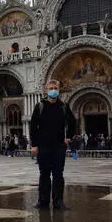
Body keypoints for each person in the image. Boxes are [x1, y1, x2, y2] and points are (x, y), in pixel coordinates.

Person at [30, 79, 77, 210]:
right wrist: (34, 145)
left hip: (58, 147)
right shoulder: (40, 106)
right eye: (50, 88)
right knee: (44, 174)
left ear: (59, 90)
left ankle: (58, 201)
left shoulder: (63, 106)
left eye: (55, 88)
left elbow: (72, 122)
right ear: (46, 90)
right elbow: (33, 126)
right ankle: (43, 201)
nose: (53, 90)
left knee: (58, 174)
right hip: (43, 146)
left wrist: (68, 137)